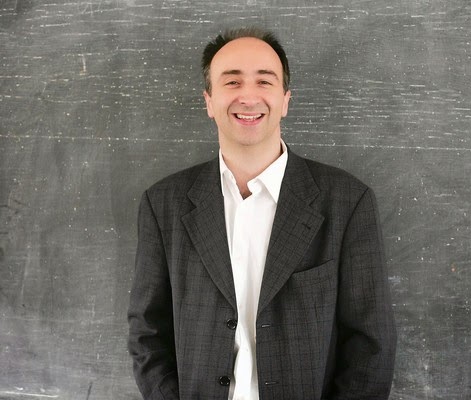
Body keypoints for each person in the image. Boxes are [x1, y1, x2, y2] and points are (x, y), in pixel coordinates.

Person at [127, 27, 397, 400]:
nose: (249, 96)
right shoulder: (163, 205)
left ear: (285, 100)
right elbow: (147, 334)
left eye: (264, 81)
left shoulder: (347, 202)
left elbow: (371, 344)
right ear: (209, 101)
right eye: (232, 82)